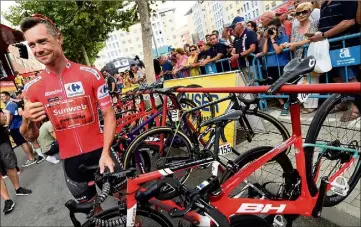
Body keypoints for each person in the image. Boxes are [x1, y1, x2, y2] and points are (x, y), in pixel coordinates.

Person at [19, 15, 118, 205]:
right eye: (32, 45)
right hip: (73, 164)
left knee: (128, 205)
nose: (38, 49)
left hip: (101, 152)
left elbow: (109, 114)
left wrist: (106, 152)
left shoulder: (90, 74)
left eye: (42, 41)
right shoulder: (32, 88)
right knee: (91, 214)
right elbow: (30, 137)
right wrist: (27, 119)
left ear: (59, 38)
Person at [309, 0, 360, 122]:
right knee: (337, 78)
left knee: (349, 77)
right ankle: (343, 102)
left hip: (345, 46)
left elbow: (349, 22)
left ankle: (356, 108)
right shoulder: (324, 4)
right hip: (330, 47)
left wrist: (323, 35)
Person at [284, 2, 320, 113]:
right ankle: (304, 103)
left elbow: (311, 39)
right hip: (298, 57)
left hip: (311, 55)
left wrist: (294, 44)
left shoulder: (314, 23)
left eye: (303, 12)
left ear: (309, 12)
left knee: (313, 80)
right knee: (301, 82)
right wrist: (287, 45)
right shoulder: (295, 28)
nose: (300, 15)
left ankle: (311, 106)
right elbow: (292, 44)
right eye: (297, 13)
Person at [1, 107, 32, 214]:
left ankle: (18, 189)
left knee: (10, 166)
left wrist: (4, 120)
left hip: (1, 141)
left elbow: (3, 119)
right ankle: (7, 200)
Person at [1, 91, 38, 167]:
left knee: (22, 143)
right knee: (25, 142)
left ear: (8, 96)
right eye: (1, 97)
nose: (2, 98)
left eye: (3, 96)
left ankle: (31, 158)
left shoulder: (10, 105)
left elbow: (10, 117)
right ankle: (32, 156)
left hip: (15, 126)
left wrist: (7, 124)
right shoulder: (11, 104)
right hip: (19, 125)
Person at [262, 18, 290, 116]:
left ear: (278, 28)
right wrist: (266, 39)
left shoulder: (285, 37)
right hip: (271, 64)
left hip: (282, 64)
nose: (271, 31)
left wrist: (273, 39)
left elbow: (278, 50)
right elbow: (264, 52)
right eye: (269, 29)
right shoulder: (268, 39)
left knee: (284, 85)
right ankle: (282, 103)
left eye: (273, 28)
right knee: (273, 85)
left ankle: (288, 102)